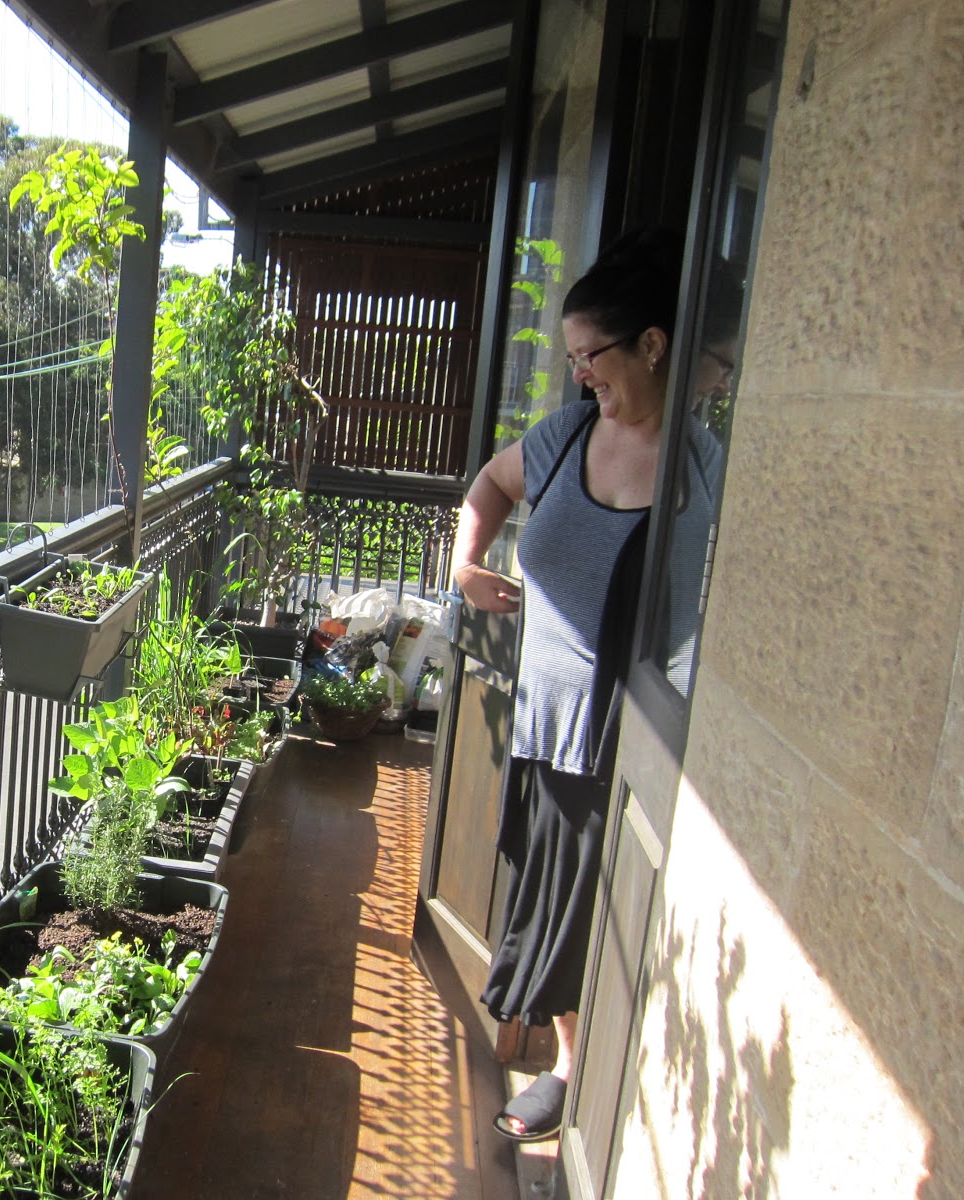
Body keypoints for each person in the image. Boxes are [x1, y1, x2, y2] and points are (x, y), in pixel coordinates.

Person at [450, 227, 683, 1142]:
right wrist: (467, 567)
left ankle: (572, 1071)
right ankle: (562, 1052)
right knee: (547, 897)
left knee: (580, 913)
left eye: (591, 356)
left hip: (616, 740)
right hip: (542, 721)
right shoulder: (567, 433)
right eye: (573, 357)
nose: (580, 374)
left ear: (652, 346)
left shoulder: (694, 469)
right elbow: (487, 488)